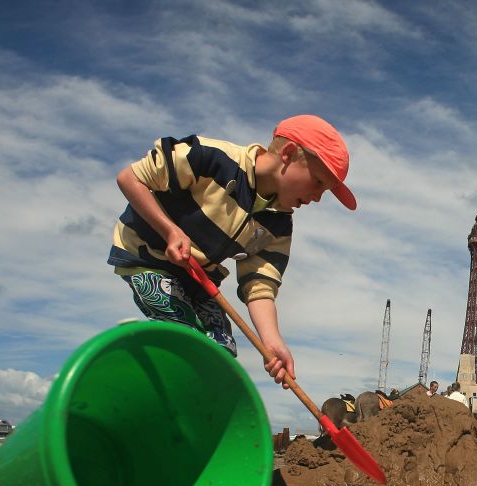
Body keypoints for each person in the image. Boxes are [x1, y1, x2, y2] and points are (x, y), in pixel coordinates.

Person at [107, 115, 356, 387]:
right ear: (288, 154)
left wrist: (272, 341)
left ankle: (197, 414)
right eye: (319, 182)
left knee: (221, 350)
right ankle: (133, 364)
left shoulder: (278, 223)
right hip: (149, 258)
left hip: (198, 278)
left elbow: (259, 285)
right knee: (186, 339)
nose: (318, 198)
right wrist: (169, 230)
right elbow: (131, 178)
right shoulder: (213, 159)